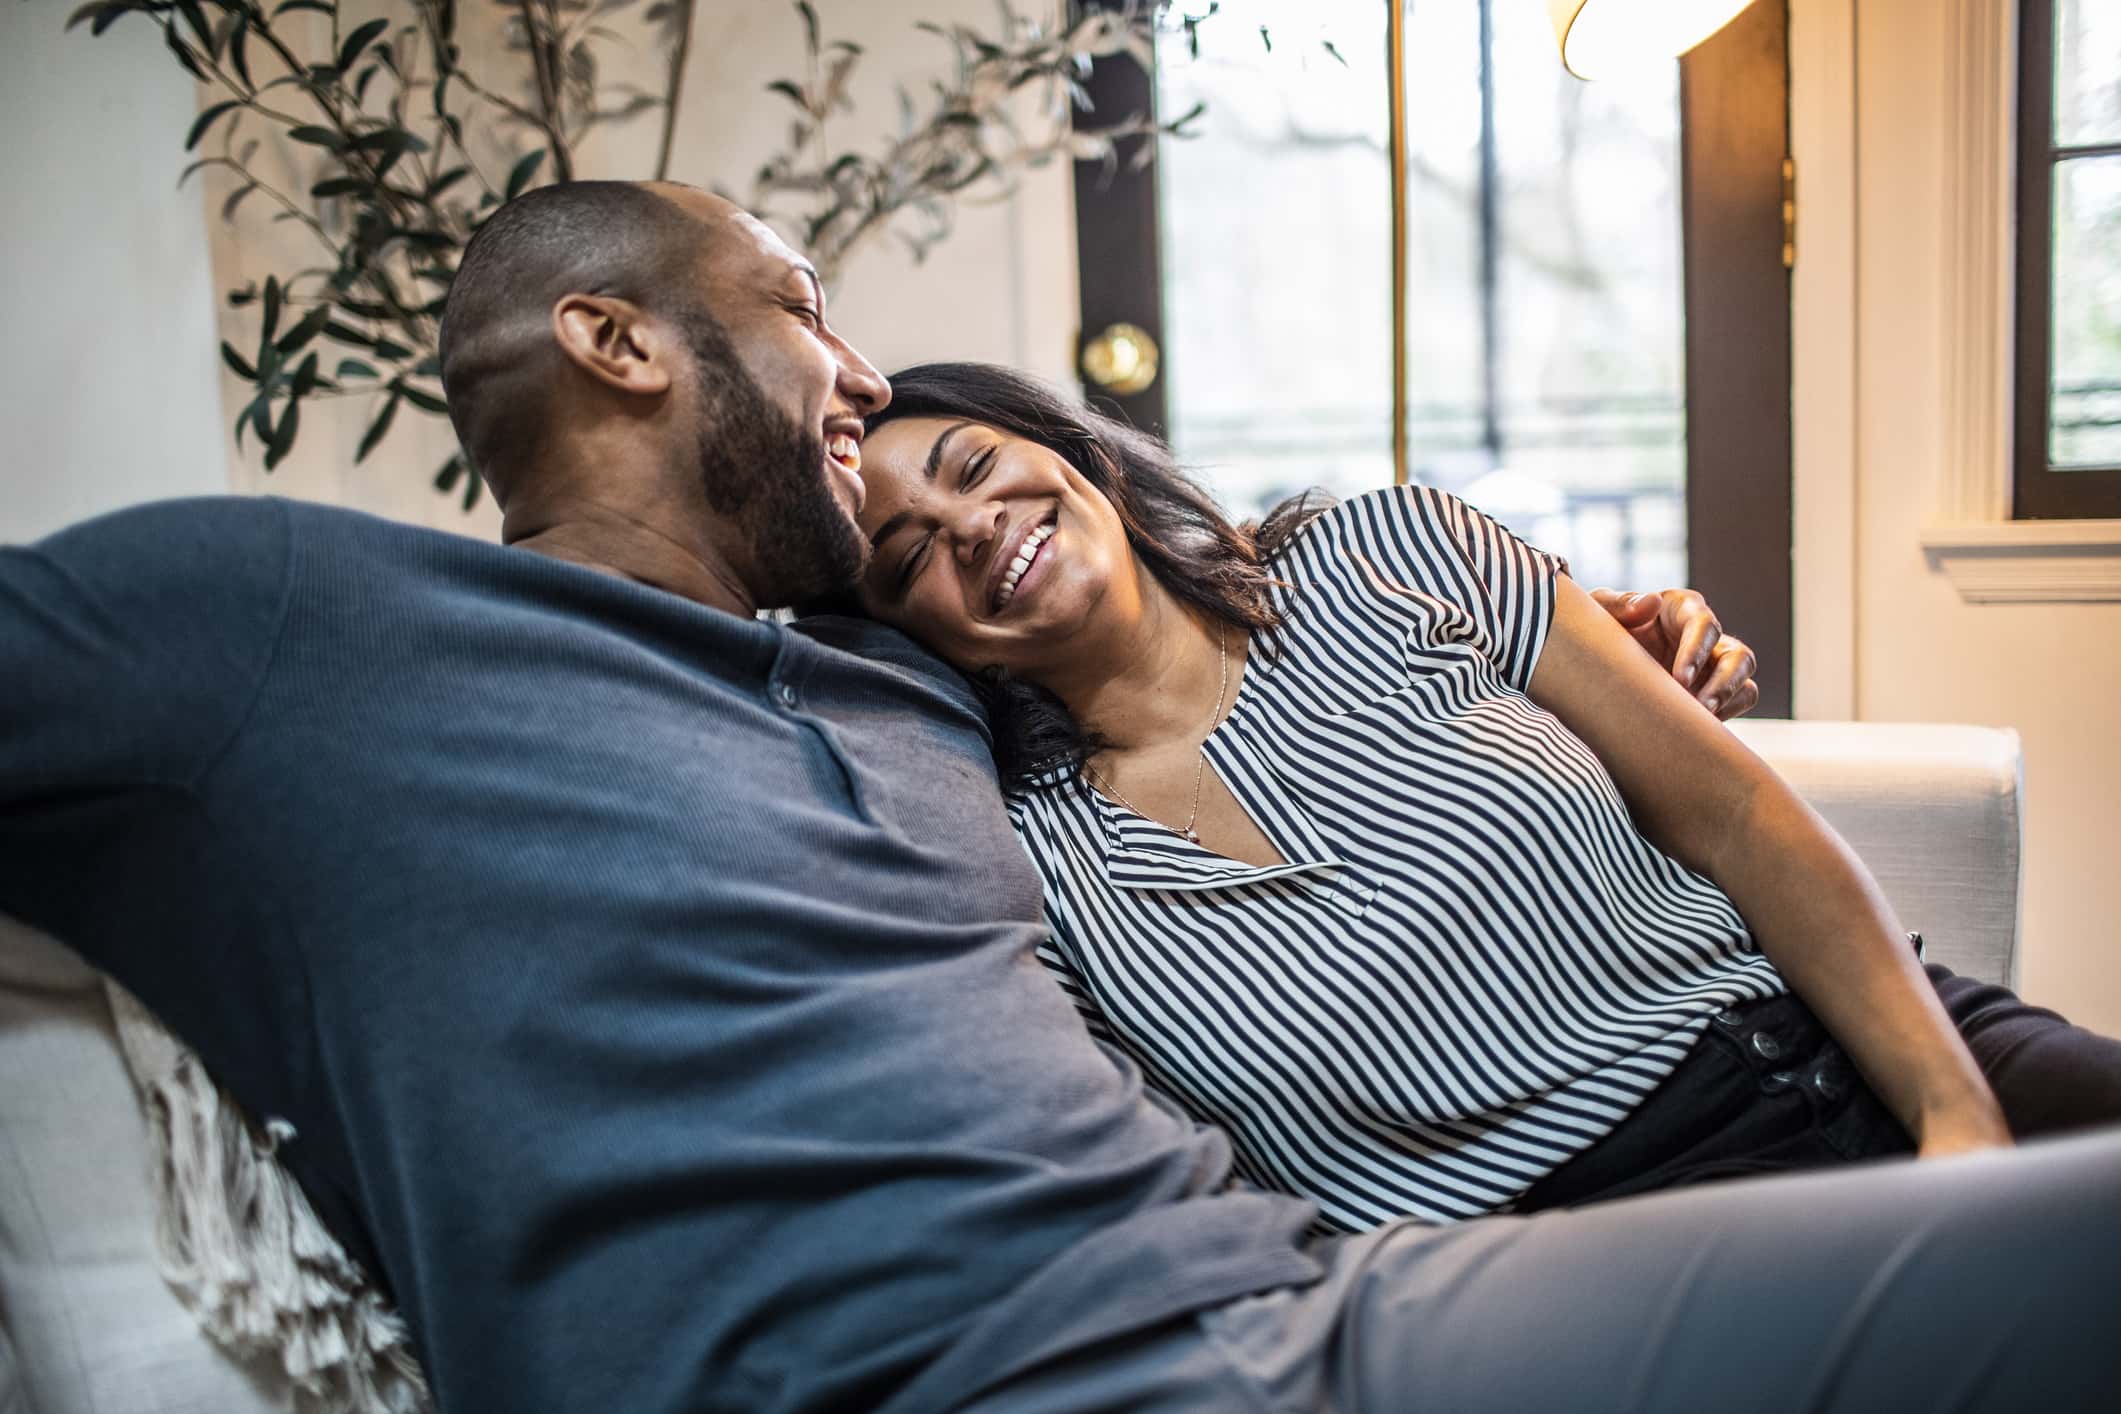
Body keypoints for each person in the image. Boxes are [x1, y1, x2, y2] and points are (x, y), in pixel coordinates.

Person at [1, 181, 2118, 1414]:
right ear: (618, 345)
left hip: (1326, 1314)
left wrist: (1623, 644)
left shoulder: (909, 708)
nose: (858, 384)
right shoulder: (285, 626)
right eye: (807, 311)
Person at [843, 360, 2121, 1230]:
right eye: (908, 555)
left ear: (1071, 454)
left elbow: (1735, 814)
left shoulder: (1392, 547)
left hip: (1854, 1048)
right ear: (925, 639)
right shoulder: (1031, 865)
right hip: (1592, 1252)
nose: (967, 525)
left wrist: (1954, 1115)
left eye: (973, 462)